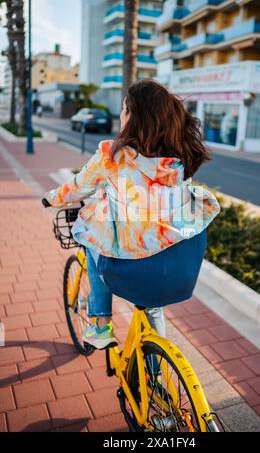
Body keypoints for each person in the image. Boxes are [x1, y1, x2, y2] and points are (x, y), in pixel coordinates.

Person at [43, 79, 220, 350]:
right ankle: (156, 377)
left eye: (125, 109)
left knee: (92, 242)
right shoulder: (178, 158)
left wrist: (51, 199)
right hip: (179, 267)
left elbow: (78, 188)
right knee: (153, 310)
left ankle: (101, 325)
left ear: (135, 116)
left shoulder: (111, 156)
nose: (122, 114)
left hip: (133, 268)